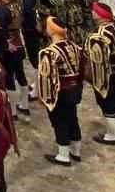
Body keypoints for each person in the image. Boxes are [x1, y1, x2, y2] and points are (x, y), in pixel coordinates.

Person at [36, 15, 85, 166]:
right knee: (73, 119)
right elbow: (82, 70)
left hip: (60, 93)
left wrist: (43, 97)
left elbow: (47, 78)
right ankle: (76, 151)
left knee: (60, 122)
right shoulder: (75, 47)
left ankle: (63, 155)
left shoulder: (50, 52)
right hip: (74, 90)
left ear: (52, 30)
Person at [85, 2, 115, 145]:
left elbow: (98, 62)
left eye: (94, 11)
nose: (93, 13)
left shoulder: (99, 35)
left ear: (99, 15)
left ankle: (111, 135)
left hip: (107, 73)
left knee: (106, 102)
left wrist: (95, 80)